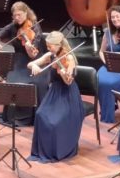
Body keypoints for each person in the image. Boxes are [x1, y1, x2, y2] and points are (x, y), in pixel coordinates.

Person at [0, 1, 49, 126]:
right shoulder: (13, 25)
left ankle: (32, 116)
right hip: (19, 60)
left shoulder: (35, 27)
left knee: (34, 82)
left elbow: (33, 54)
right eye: (15, 15)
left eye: (19, 15)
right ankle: (12, 116)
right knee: (12, 80)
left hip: (36, 61)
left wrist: (28, 46)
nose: (17, 18)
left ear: (26, 13)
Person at [28, 31, 85, 162]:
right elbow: (30, 64)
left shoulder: (69, 58)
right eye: (47, 46)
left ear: (59, 45)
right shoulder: (50, 55)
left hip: (67, 95)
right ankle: (44, 150)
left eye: (51, 46)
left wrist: (64, 73)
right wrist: (35, 66)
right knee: (40, 115)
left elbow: (68, 82)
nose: (48, 49)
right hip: (54, 92)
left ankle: (57, 150)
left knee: (54, 121)